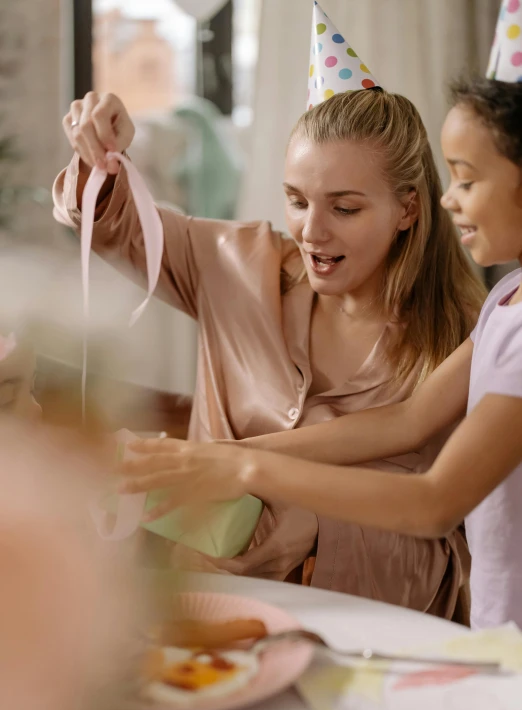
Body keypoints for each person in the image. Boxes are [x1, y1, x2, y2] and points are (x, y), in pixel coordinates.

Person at [54, 84, 485, 621]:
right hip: (201, 610)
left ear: (408, 207)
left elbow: (458, 528)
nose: (311, 230)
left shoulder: (471, 332)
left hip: (375, 619)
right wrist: (101, 155)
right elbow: (112, 221)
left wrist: (306, 514)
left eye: (345, 208)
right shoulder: (237, 263)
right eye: (297, 201)